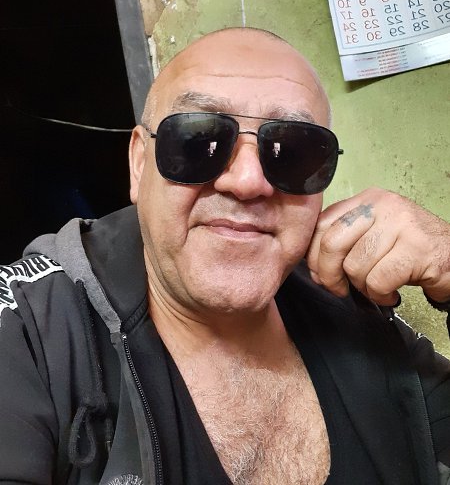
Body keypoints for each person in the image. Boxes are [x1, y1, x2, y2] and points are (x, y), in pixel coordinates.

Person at [0, 27, 449, 485]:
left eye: (291, 151)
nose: (248, 181)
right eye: (197, 141)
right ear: (139, 163)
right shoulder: (32, 334)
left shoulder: (357, 319)